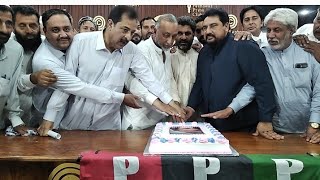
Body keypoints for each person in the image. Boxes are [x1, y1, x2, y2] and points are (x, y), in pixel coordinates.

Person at [39, 6, 182, 133]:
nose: (128, 37)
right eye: (124, 30)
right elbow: (67, 84)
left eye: (132, 32)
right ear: (110, 24)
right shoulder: (81, 42)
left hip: (108, 127)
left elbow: (149, 79)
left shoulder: (131, 50)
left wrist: (170, 103)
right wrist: (50, 117)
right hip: (75, 123)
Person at [184, 8, 283, 140]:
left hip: (242, 127)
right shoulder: (204, 52)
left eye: (213, 26)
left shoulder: (244, 46)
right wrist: (191, 106)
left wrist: (266, 119)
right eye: (205, 28)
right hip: (212, 126)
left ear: (226, 26)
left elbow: (262, 83)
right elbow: (200, 82)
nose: (207, 31)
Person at [262, 8, 320, 144]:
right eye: (268, 30)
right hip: (273, 131)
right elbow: (253, 87)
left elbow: (318, 92)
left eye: (277, 30)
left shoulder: (310, 52)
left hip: (307, 131)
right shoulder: (262, 53)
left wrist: (314, 123)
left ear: (292, 30)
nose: (270, 35)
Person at [122, 14, 184, 130]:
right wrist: (163, 104)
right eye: (166, 35)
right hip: (138, 122)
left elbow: (168, 80)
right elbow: (140, 86)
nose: (170, 41)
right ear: (155, 31)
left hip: (159, 120)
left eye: (174, 36)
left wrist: (174, 103)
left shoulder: (166, 51)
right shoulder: (141, 50)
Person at [11, 5, 57, 127]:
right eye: (22, 26)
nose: (29, 30)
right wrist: (33, 78)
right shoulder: (8, 49)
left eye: (33, 25)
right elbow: (12, 81)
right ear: (13, 27)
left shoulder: (48, 45)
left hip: (43, 119)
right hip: (12, 120)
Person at [0, 5, 27, 135]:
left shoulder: (15, 50)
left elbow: (12, 89)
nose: (4, 30)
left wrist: (15, 118)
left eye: (8, 24)